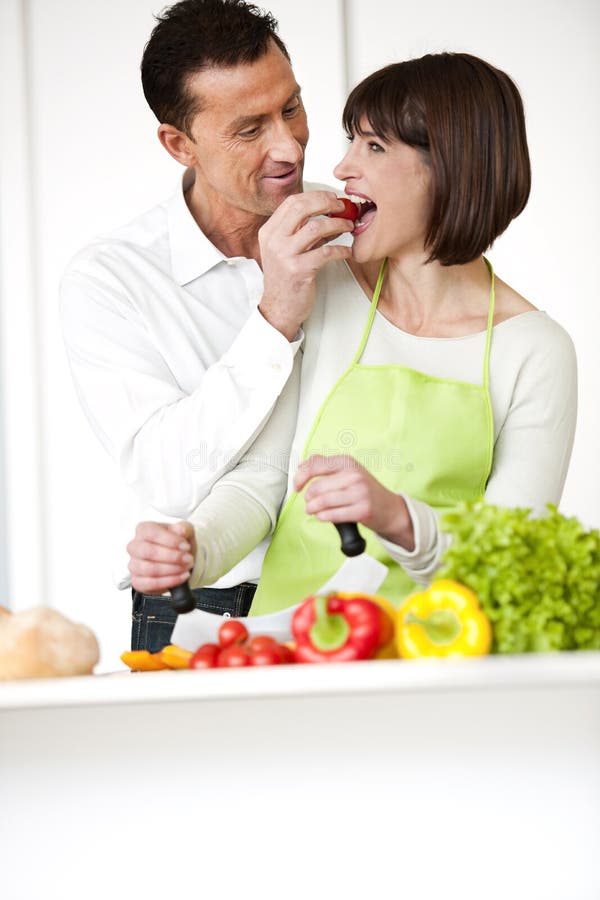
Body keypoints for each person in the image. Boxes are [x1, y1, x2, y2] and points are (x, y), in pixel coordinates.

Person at [127, 51, 577, 617]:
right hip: (294, 651)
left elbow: (521, 559)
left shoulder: (534, 349)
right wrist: (196, 547)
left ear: (454, 166)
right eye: (350, 142)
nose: (340, 168)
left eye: (375, 147)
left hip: (440, 659)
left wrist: (396, 515)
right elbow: (265, 479)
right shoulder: (329, 287)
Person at [59, 0, 353, 651]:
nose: (290, 144)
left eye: (292, 107)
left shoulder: (352, 242)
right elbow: (168, 477)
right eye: (250, 130)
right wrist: (276, 313)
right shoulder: (111, 281)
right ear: (179, 144)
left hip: (351, 597)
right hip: (197, 613)